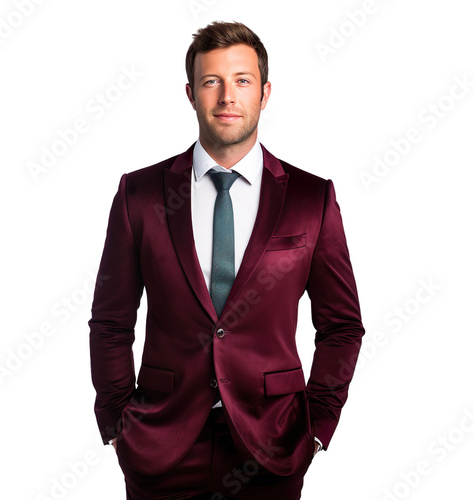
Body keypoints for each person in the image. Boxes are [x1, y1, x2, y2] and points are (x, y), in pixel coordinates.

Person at [89, 21, 365, 500]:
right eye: (211, 81)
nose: (226, 97)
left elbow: (341, 325)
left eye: (242, 80)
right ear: (191, 94)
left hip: (272, 445)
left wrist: (318, 425)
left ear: (265, 92)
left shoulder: (310, 198)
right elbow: (111, 320)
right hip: (160, 443)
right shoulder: (140, 193)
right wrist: (117, 421)